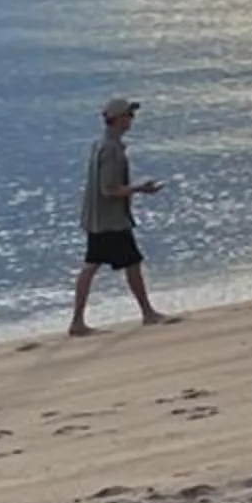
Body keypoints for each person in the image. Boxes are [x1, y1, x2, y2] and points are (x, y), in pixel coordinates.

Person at [70, 95, 169, 333]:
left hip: (101, 219)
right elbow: (109, 190)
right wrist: (141, 189)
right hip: (110, 221)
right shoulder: (111, 149)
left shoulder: (100, 144)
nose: (132, 120)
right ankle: (147, 313)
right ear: (118, 120)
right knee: (120, 263)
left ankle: (79, 321)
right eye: (129, 115)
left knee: (105, 264)